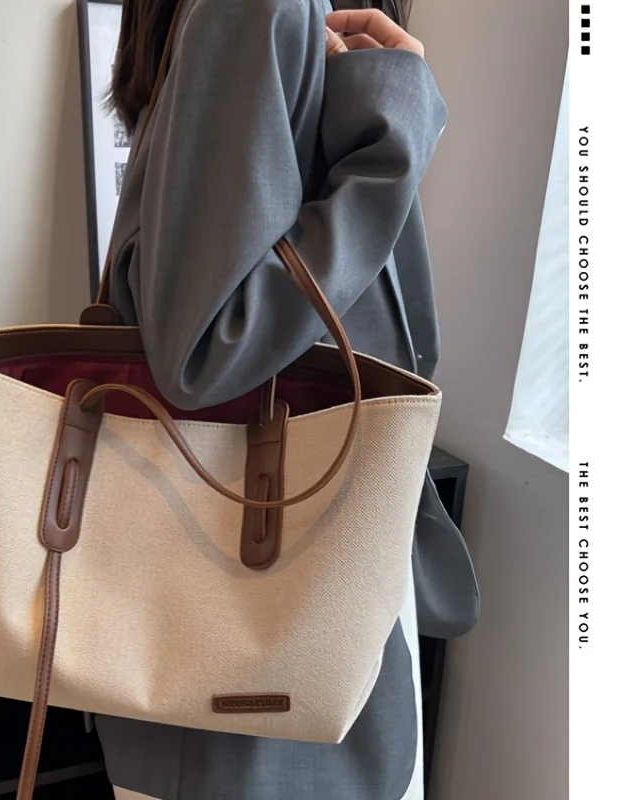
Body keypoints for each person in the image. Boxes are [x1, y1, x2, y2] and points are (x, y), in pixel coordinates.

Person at [94, 1, 479, 798]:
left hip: (295, 570)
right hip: (279, 579)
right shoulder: (261, 8)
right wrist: (394, 139)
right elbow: (209, 349)